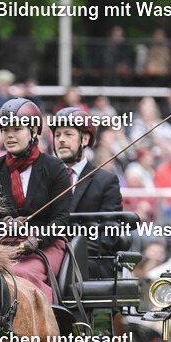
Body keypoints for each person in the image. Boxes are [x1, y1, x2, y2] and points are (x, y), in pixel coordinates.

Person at [0, 98, 71, 303]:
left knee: (22, 274)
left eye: (16, 129)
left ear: (33, 131)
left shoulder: (55, 168)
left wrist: (37, 238)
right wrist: (4, 225)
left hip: (47, 245)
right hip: (3, 244)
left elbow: (60, 220)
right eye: (4, 129)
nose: (9, 135)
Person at [51, 107, 122, 278]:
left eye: (68, 134)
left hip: (88, 261)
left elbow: (108, 233)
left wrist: (68, 249)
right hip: (47, 257)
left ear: (85, 138)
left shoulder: (106, 181)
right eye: (57, 135)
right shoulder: (43, 179)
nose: (61, 140)